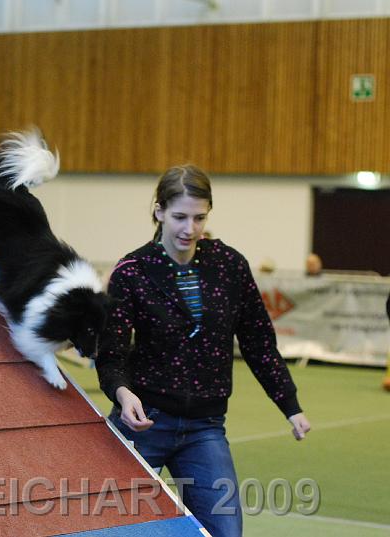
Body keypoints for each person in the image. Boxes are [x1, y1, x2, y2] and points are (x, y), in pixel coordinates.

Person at [96, 165, 311, 537]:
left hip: (205, 427)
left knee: (225, 532)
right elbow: (111, 351)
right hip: (144, 421)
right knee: (110, 528)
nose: (190, 228)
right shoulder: (132, 270)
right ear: (159, 211)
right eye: (180, 217)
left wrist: (289, 404)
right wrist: (122, 393)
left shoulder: (229, 265)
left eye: (199, 218)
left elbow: (259, 341)